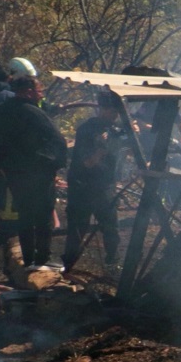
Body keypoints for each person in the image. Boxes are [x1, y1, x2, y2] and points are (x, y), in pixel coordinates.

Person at [0, 65, 67, 272]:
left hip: (13, 174)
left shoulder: (0, 112)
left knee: (24, 216)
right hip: (38, 174)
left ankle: (28, 259)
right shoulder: (34, 113)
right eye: (39, 91)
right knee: (43, 216)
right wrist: (54, 166)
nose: (41, 95)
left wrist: (0, 167)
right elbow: (58, 141)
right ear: (29, 92)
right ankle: (42, 259)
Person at [62, 89, 125, 276]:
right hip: (83, 186)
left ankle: (113, 263)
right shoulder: (86, 130)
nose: (114, 116)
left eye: (116, 112)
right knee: (77, 228)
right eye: (111, 111)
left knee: (111, 228)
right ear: (101, 109)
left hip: (105, 186)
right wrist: (101, 149)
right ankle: (69, 265)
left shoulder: (115, 130)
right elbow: (87, 162)